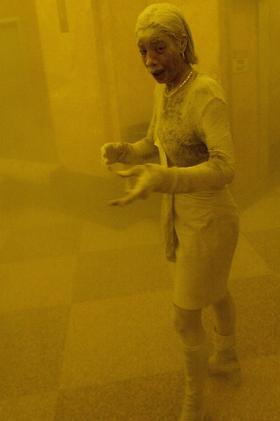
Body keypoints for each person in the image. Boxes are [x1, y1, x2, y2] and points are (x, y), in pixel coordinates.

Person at [101, 3, 240, 420]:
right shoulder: (163, 91)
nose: (149, 61)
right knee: (212, 289)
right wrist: (124, 150)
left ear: (182, 43)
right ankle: (228, 356)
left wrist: (165, 178)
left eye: (158, 48)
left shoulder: (205, 92)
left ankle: (194, 402)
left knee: (185, 315)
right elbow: (153, 143)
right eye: (142, 50)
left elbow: (225, 166)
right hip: (181, 215)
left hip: (212, 217)